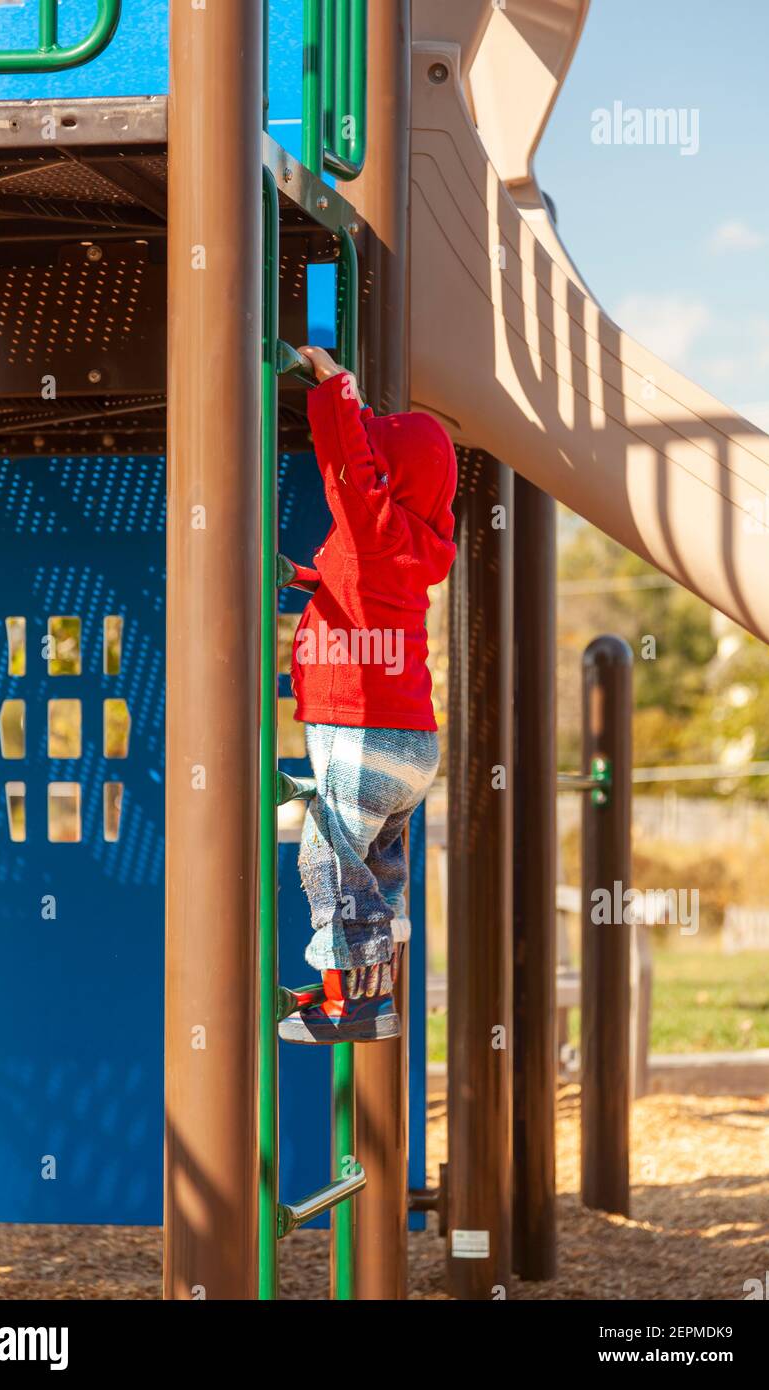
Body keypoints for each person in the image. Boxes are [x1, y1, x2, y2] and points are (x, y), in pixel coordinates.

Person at [278, 345, 457, 1044]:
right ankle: (374, 993)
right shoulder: (411, 547)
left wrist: (335, 392)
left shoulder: (369, 526)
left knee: (327, 860)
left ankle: (343, 1006)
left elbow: (352, 471)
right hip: (411, 746)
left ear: (392, 480)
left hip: (364, 736)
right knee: (372, 873)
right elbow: (352, 593)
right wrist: (301, 580)